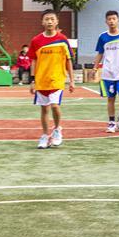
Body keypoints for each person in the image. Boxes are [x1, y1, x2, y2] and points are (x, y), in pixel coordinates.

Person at [29, 10, 75, 149]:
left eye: (52, 19)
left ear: (56, 22)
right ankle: (44, 135)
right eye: (47, 19)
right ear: (42, 22)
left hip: (57, 79)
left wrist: (71, 80)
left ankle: (57, 130)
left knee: (55, 105)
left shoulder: (62, 40)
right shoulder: (36, 40)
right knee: (44, 109)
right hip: (41, 80)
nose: (49, 21)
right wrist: (32, 80)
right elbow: (34, 61)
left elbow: (68, 60)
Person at [95, 11, 119, 133]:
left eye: (114, 19)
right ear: (106, 21)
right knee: (110, 98)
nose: (111, 21)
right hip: (108, 72)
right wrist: (95, 67)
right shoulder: (103, 37)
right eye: (109, 19)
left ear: (118, 20)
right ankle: (112, 122)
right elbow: (100, 53)